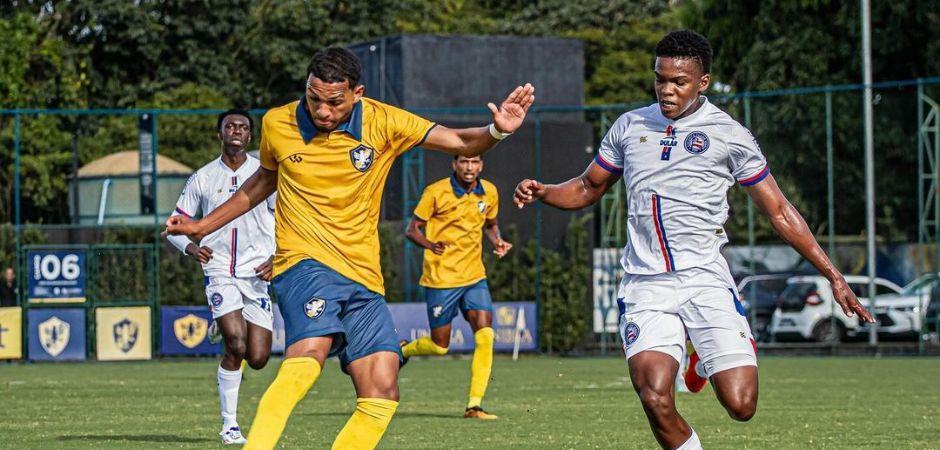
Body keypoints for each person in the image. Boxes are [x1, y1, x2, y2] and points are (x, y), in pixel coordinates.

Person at [512, 30, 872, 449]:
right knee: (655, 397)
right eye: (660, 79)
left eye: (678, 82)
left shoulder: (729, 134)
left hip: (705, 279)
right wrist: (545, 191)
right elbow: (588, 187)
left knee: (741, 405)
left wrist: (833, 276)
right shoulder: (629, 126)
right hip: (645, 284)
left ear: (702, 82)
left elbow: (778, 211)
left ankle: (701, 359)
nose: (666, 89)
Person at [165, 47, 534, 450]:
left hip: (363, 273)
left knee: (383, 387)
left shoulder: (385, 121)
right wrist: (202, 226)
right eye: (313, 98)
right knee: (309, 357)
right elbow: (264, 182)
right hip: (303, 262)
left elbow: (461, 140)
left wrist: (497, 131)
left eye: (334, 102)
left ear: (357, 93)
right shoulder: (277, 123)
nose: (322, 111)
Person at [166, 109, 276, 445]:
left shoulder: (265, 174)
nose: (237, 131)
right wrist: (190, 247)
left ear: (250, 136)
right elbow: (173, 226)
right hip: (219, 270)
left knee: (258, 358)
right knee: (236, 344)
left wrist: (277, 258)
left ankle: (224, 323)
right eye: (230, 126)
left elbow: (288, 220)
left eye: (243, 127)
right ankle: (230, 425)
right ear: (220, 134)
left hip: (256, 273)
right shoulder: (202, 177)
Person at [399, 154, 512, 420]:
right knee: (440, 346)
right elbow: (412, 229)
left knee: (485, 336)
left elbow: (491, 225)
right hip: (442, 278)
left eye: (474, 162)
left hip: (474, 276)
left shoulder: (489, 192)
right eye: (464, 162)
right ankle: (403, 350)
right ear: (454, 165)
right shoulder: (436, 192)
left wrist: (497, 241)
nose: (469, 167)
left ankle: (474, 405)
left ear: (481, 165)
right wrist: (430, 245)